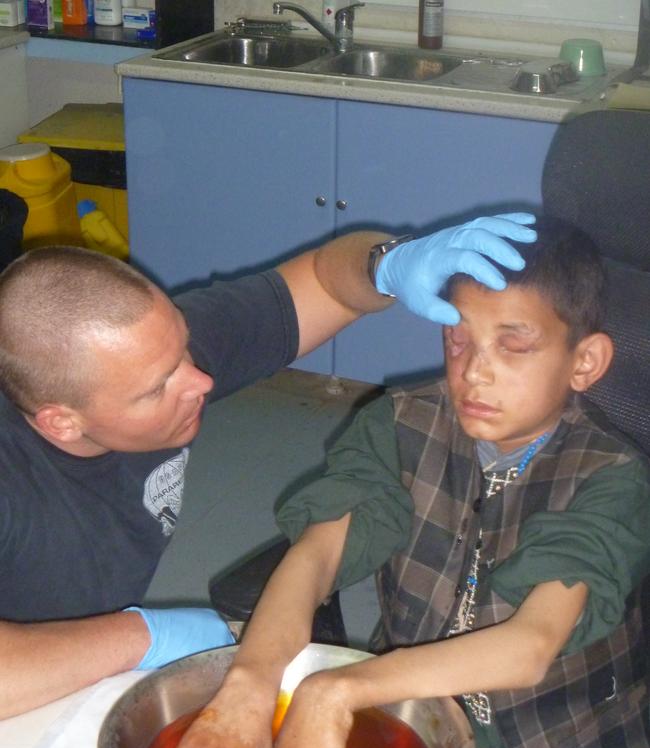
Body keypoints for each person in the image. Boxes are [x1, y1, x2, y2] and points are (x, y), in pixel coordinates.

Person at [156, 217, 650, 748]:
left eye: (513, 347)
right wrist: (251, 681)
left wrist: (335, 690)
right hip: (412, 713)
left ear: (584, 362)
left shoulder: (611, 478)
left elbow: (531, 644)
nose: (474, 374)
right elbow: (316, 556)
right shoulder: (399, 425)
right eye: (458, 341)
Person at [0, 214, 538, 720]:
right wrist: (143, 637)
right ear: (61, 423)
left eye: (184, 348)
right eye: (157, 388)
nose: (201, 382)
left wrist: (388, 265)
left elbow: (326, 282)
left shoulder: (149, 353)